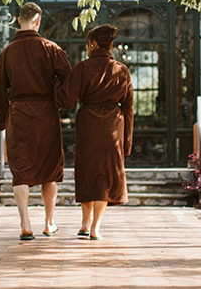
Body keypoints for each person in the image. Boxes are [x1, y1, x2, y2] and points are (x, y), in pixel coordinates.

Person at [0, 2, 72, 240]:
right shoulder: (51, 49)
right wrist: (58, 101)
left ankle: (25, 223)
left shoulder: (7, 52)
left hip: (18, 114)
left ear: (19, 20)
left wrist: (4, 121)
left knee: (21, 170)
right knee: (50, 170)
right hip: (46, 115)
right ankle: (49, 222)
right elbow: (69, 82)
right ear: (38, 22)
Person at [55, 24, 133, 240]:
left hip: (88, 124)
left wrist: (55, 85)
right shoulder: (122, 70)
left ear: (93, 44)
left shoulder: (82, 68)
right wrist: (126, 143)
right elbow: (128, 108)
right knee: (106, 176)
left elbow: (66, 100)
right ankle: (95, 227)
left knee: (87, 171)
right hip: (113, 127)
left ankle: (84, 222)